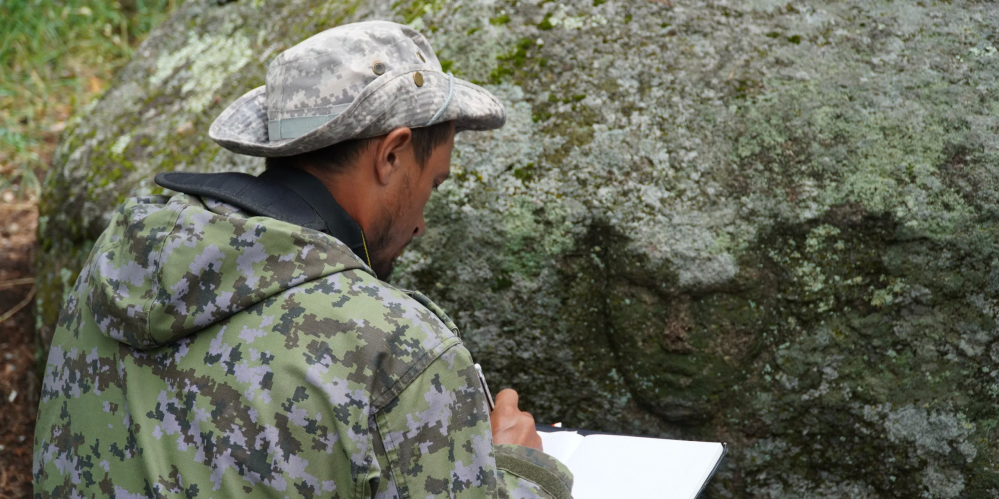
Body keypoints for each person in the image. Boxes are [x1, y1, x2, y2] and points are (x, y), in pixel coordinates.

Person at [33, 21, 573, 499]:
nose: (421, 225)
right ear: (392, 154)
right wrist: (521, 469)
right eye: (433, 184)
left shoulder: (116, 262)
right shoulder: (399, 351)